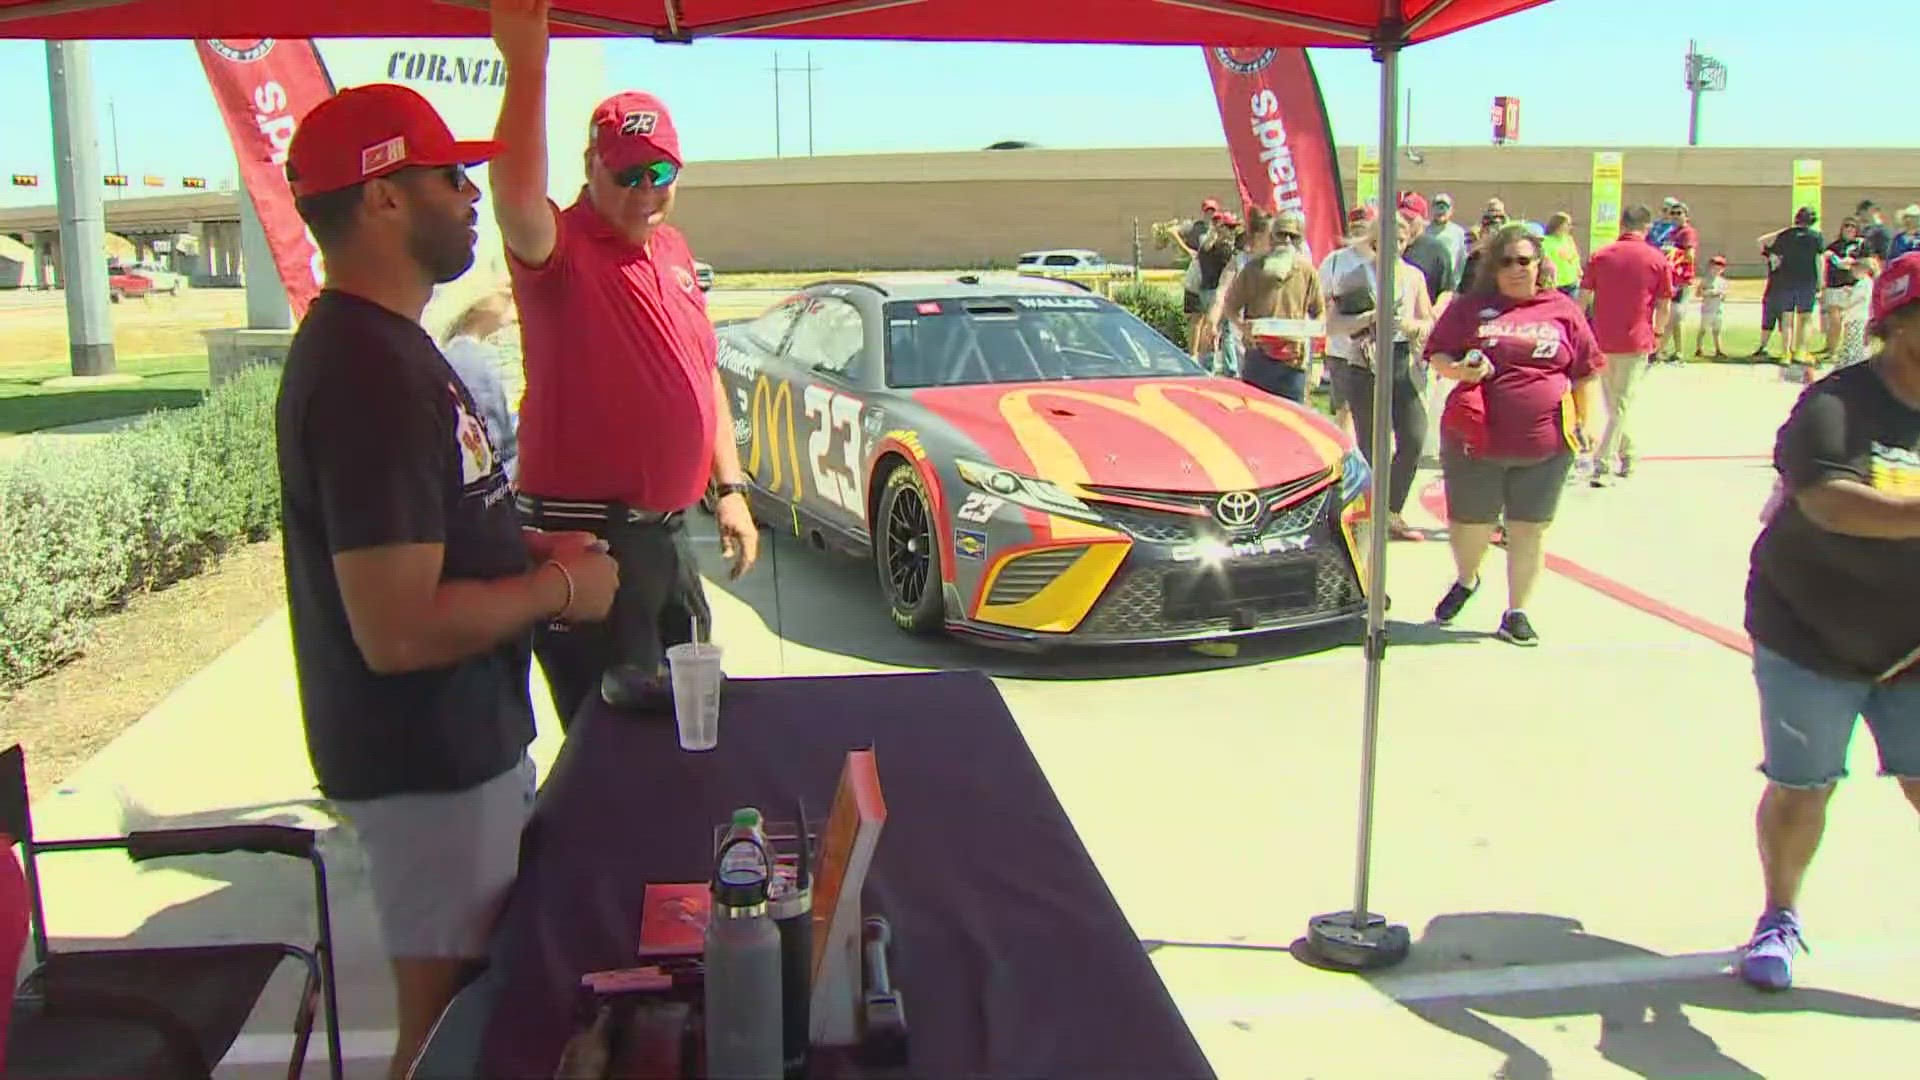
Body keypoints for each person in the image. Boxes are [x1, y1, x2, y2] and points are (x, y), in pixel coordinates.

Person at [275, 83, 619, 1078]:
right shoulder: (365, 372)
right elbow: (397, 628)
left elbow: (434, 534)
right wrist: (558, 595)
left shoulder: (391, 350)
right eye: (448, 175)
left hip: (455, 745)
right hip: (423, 758)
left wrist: (528, 547)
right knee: (449, 1031)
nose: (472, 193)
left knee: (479, 1011)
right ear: (382, 196)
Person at [488, 0, 758, 726]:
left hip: (666, 538)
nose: (646, 190)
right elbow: (513, 195)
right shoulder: (562, 248)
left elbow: (699, 372)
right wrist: (527, 64)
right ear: (591, 169)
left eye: (661, 171)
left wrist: (727, 488)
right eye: (628, 173)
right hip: (591, 537)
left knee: (692, 727)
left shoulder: (670, 249)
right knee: (608, 751)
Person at [1735, 252, 1920, 992]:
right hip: (1810, 633)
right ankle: (1779, 915)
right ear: (1901, 325)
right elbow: (1830, 502)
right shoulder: (1836, 406)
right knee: (1803, 785)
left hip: (1913, 646)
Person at [1425, 223, 1603, 646]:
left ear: (1539, 264)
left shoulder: (1562, 309)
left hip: (1547, 443)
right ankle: (1468, 578)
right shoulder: (1470, 308)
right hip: (1476, 439)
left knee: (1529, 528)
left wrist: (1588, 419)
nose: (1515, 269)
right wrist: (1458, 370)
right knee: (1471, 526)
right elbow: (1437, 354)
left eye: (1524, 260)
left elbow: (1586, 371)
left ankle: (1516, 611)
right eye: (1505, 262)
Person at [1325, 206, 1435, 540]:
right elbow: (1333, 325)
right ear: (1374, 241)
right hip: (1364, 362)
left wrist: (1411, 326)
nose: (1396, 246)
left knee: (1414, 437)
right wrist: (1369, 318)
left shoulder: (1414, 277)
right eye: (1389, 239)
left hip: (1402, 360)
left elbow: (1429, 321)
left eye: (1402, 240)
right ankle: (1371, 514)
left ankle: (1392, 510)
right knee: (1373, 446)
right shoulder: (1355, 277)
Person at [1580, 204, 1675, 487]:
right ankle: (1603, 464)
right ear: (1646, 228)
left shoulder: (1601, 256)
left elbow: (1583, 298)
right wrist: (1658, 333)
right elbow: (1664, 303)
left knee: (1615, 404)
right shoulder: (1656, 259)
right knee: (1620, 405)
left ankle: (1628, 453)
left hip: (1602, 339)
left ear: (1621, 224)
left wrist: (1582, 331)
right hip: (1637, 339)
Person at [1218, 208, 1324, 402]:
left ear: (1300, 241)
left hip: (1293, 362)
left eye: (1294, 236)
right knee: (1257, 419)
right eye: (1281, 234)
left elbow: (1320, 314)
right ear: (1272, 238)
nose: (1287, 241)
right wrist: (1243, 327)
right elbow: (1230, 307)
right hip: (1258, 359)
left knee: (1292, 421)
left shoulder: (1308, 273)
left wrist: (1313, 351)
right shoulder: (1252, 270)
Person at [440, 286, 521, 484]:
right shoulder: (474, 358)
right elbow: (494, 442)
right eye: (506, 294)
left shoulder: (450, 353)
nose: (513, 301)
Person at [1759, 207, 1827, 369]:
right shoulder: (1816, 237)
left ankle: (1785, 353)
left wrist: (1783, 231)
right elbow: (1819, 260)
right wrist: (1821, 282)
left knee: (1787, 318)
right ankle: (1800, 352)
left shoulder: (1786, 235)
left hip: (1786, 281)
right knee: (1805, 318)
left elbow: (1769, 249)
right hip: (1807, 281)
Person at [1652, 202, 1698, 363]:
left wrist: (1674, 253)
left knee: (1672, 316)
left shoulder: (1687, 233)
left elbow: (1690, 255)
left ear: (1686, 216)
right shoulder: (1672, 233)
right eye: (1673, 213)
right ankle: (1678, 351)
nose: (1675, 216)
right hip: (1672, 279)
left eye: (1679, 213)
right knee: (1675, 319)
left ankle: (1658, 350)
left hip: (1682, 281)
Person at [1397, 191, 1458, 307]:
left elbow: (1446, 291)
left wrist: (1434, 315)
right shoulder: (1389, 246)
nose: (1405, 222)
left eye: (1410, 218)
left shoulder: (1437, 250)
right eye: (1402, 217)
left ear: (1422, 220)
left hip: (1424, 318)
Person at [1426, 192, 1470, 284]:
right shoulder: (1424, 231)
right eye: (1438, 207)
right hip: (1428, 281)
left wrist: (1457, 283)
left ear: (1451, 211)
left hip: (1450, 283)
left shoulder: (1458, 232)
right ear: (1432, 209)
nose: (1441, 210)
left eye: (1444, 207)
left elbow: (1461, 260)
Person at [1693, 255, 1729, 359]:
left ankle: (1718, 350)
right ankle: (1699, 349)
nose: (1716, 270)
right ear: (1710, 267)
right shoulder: (1705, 280)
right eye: (1714, 268)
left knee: (1717, 330)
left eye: (1719, 268)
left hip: (1718, 309)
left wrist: (1721, 294)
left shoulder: (1723, 281)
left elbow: (1724, 295)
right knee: (1703, 329)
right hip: (1707, 309)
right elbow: (1698, 294)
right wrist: (1707, 292)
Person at [1540, 211, 1581, 300]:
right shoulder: (1546, 241)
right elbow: (1545, 261)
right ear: (1558, 225)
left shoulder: (1568, 239)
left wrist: (1579, 271)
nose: (1570, 227)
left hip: (1572, 283)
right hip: (1557, 284)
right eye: (1567, 224)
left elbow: (1575, 257)